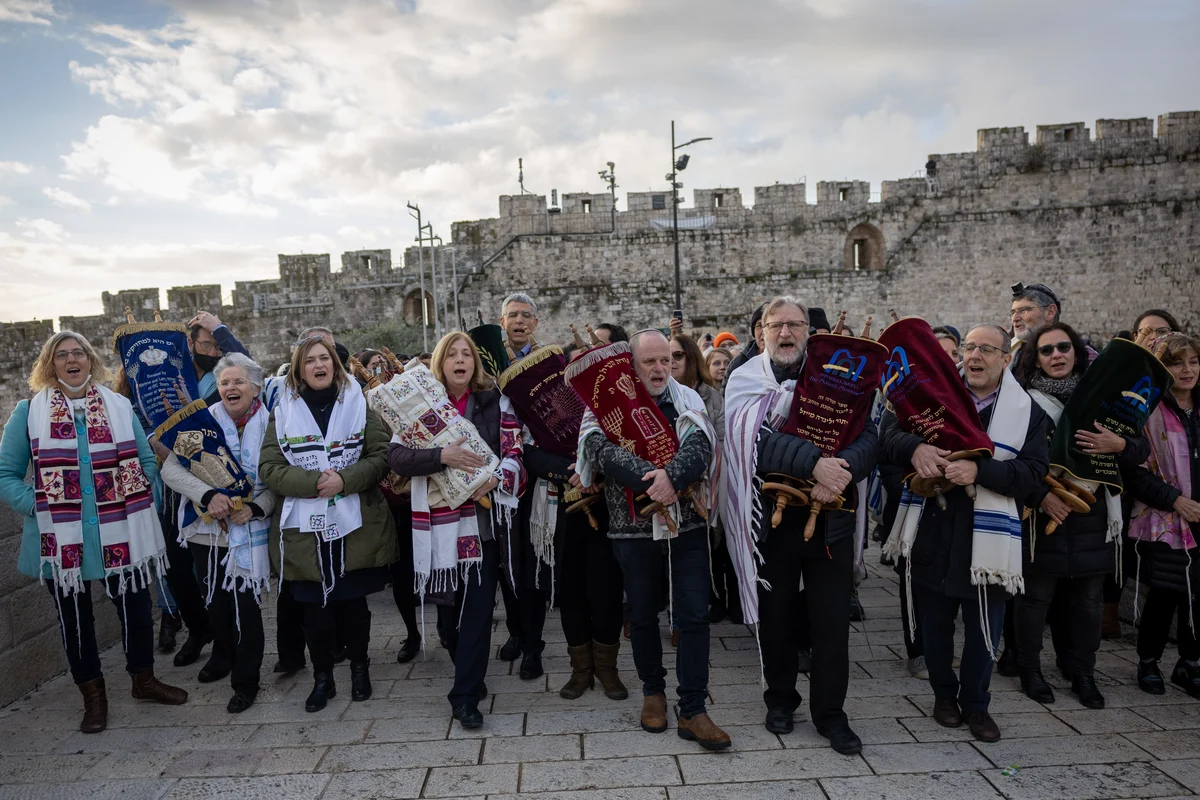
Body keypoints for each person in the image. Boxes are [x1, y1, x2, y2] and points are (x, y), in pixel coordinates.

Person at [0, 331, 188, 733]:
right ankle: (94, 698)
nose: (72, 359)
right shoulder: (28, 412)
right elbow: (6, 473)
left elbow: (145, 458)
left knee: (136, 610)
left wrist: (134, 495)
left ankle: (143, 680)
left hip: (120, 530)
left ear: (90, 359)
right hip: (62, 539)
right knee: (76, 621)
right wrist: (36, 505)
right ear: (49, 365)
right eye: (62, 354)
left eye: (79, 352)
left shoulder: (118, 406)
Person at [723, 297, 876, 755]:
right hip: (771, 522)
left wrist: (842, 468)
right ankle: (781, 700)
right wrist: (815, 464)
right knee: (777, 620)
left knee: (832, 624)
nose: (785, 333)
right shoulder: (744, 380)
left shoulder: (843, 380)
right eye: (776, 325)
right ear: (760, 334)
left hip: (833, 520)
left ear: (810, 332)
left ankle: (831, 714)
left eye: (795, 325)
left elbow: (870, 433)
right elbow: (751, 443)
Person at [882, 323, 1049, 743]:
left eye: (987, 350)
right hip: (933, 527)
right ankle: (943, 696)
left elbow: (1033, 474)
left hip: (988, 539)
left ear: (1006, 359)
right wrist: (914, 448)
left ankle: (977, 704)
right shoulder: (932, 395)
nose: (974, 356)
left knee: (984, 629)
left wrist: (981, 470)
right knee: (934, 625)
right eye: (970, 348)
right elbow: (889, 435)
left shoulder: (1028, 412)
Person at [579, 329, 727, 750]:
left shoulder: (689, 400)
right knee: (642, 615)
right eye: (650, 362)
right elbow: (597, 448)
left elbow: (702, 445)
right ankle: (653, 692)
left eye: (667, 360)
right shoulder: (604, 404)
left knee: (695, 615)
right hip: (631, 528)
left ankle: (694, 708)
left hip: (687, 526)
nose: (661, 368)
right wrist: (652, 479)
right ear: (632, 364)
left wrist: (671, 478)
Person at [387, 332, 526, 729]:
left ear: (475, 364)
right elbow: (396, 456)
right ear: (440, 363)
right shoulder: (419, 407)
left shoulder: (496, 403)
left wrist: (497, 477)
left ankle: (464, 695)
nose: (460, 359)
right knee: (450, 617)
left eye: (467, 354)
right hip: (436, 526)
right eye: (452, 354)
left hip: (482, 527)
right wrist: (441, 455)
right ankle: (468, 670)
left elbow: (515, 451)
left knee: (478, 613)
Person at [1012, 323, 1148, 709]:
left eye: (1064, 347)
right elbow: (1010, 459)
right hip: (1043, 513)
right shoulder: (1022, 401)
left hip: (1094, 512)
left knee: (1088, 603)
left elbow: (1139, 450)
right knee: (1035, 600)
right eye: (1047, 350)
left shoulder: (1105, 396)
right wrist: (1040, 496)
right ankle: (1031, 671)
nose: (1057, 355)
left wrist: (1119, 443)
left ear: (1076, 352)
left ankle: (1084, 673)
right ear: (1033, 357)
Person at [259, 335, 398, 712]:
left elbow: (380, 454)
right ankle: (323, 678)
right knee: (314, 612)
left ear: (335, 365)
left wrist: (344, 479)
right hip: (305, 528)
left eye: (324, 359)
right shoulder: (283, 412)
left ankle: (359, 669)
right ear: (298, 370)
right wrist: (315, 483)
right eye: (309, 361)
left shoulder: (359, 404)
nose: (318, 365)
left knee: (354, 606)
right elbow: (270, 468)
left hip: (355, 523)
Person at [156, 353, 274, 713]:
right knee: (216, 603)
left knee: (245, 607)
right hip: (206, 532)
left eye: (238, 382)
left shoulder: (273, 425)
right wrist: (208, 495)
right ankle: (222, 655)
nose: (230, 388)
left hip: (250, 529)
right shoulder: (202, 422)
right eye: (224, 383)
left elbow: (276, 479)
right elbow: (170, 472)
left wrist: (255, 507)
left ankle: (246, 681)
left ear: (255, 388)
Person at [1128, 333, 1200, 696]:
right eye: (1176, 362)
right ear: (1161, 368)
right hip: (1167, 516)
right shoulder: (1148, 409)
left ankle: (1189, 663)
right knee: (1167, 591)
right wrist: (1175, 500)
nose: (1187, 370)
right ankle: (1148, 661)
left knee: (1198, 595)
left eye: (1193, 361)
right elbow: (1135, 471)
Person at [494, 293, 551, 676]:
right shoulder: (488, 364)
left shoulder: (548, 363)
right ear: (502, 322)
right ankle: (515, 630)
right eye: (512, 315)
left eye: (525, 315)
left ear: (536, 322)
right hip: (499, 476)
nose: (519, 321)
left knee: (534, 562)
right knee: (504, 561)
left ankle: (534, 643)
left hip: (537, 475)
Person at [187, 311, 251, 398]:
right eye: (206, 345)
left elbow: (250, 368)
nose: (213, 353)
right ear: (191, 345)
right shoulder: (180, 372)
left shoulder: (227, 376)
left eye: (218, 346)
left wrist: (219, 329)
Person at [726, 303, 768, 378]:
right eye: (759, 325)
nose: (764, 331)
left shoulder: (790, 360)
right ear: (753, 331)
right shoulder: (738, 363)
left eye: (769, 325)